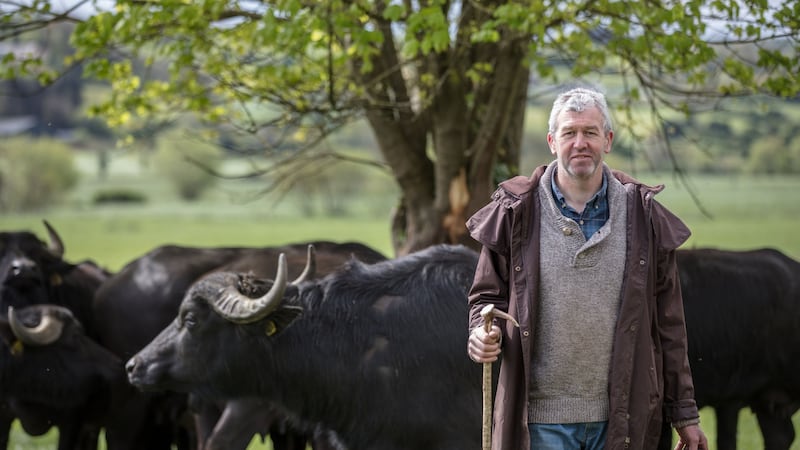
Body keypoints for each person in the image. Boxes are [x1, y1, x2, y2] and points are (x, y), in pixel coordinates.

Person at [465, 86, 708, 450]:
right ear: (552, 141)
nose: (580, 142)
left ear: (607, 140)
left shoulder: (644, 218)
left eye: (590, 132)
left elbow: (670, 325)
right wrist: (480, 335)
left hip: (621, 420)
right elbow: (485, 299)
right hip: (539, 423)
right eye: (569, 132)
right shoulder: (515, 213)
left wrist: (685, 414)